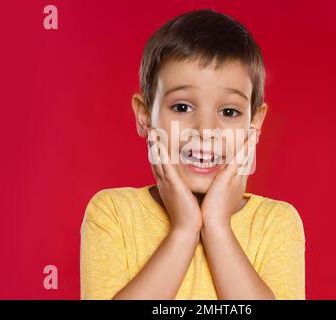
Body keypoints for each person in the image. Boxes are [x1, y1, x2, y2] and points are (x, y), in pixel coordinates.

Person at [80, 8, 305, 300]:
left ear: (254, 124)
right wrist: (184, 229)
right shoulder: (113, 213)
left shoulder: (276, 222)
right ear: (144, 116)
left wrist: (217, 227)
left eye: (229, 111)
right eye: (182, 107)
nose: (206, 129)